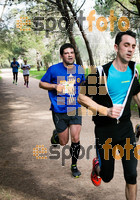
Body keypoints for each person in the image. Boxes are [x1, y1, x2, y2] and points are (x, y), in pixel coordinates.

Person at [78, 30, 140, 200]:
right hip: (105, 131)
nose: (130, 49)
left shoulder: (134, 69)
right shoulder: (100, 72)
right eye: (126, 45)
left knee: (132, 175)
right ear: (116, 47)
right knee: (107, 176)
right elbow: (81, 97)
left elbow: (135, 93)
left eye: (133, 46)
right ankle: (97, 166)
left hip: (126, 129)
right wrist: (106, 111)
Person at [39, 43, 85, 178]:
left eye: (72, 52)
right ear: (61, 55)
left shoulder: (79, 69)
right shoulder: (54, 69)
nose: (70, 55)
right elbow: (41, 83)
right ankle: (56, 136)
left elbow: (82, 83)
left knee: (75, 138)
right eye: (66, 53)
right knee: (63, 142)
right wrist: (54, 86)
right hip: (59, 109)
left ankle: (74, 165)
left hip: (74, 107)